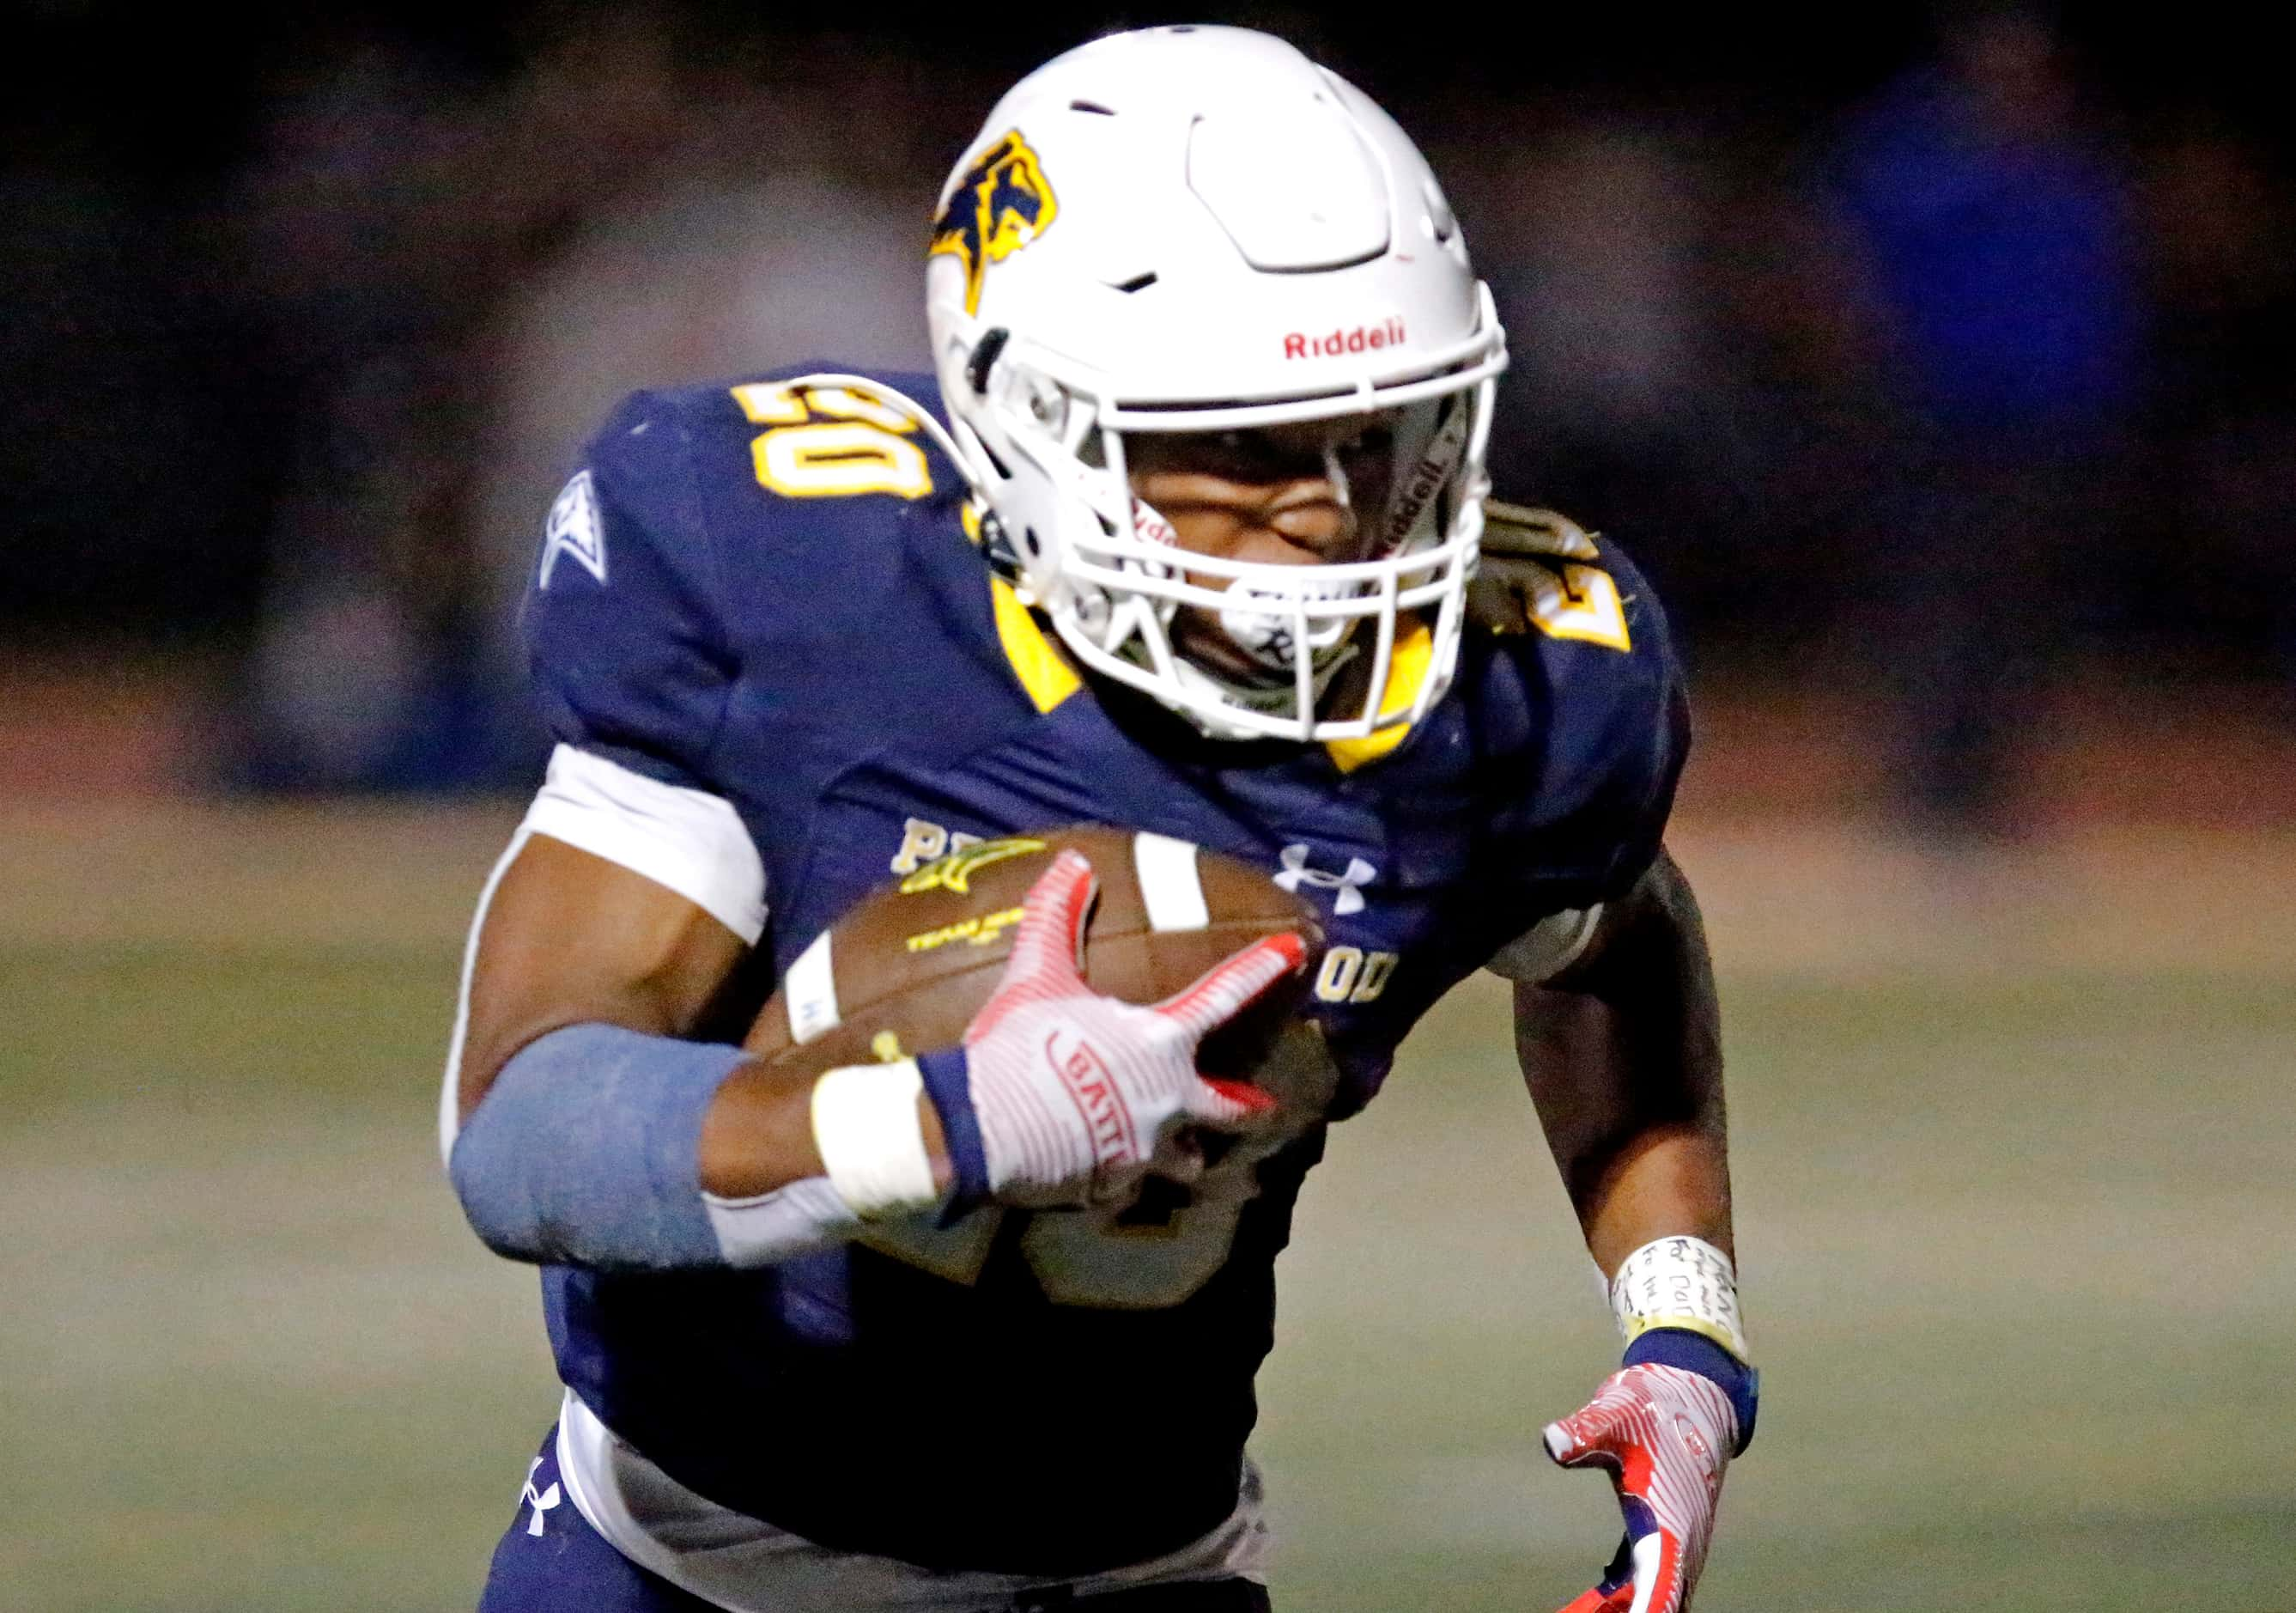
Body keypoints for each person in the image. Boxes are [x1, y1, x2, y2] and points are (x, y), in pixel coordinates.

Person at [441, 25, 1755, 1613]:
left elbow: (1610, 936)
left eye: (1381, 435)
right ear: (1027, 416)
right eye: (1241, 449)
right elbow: (522, 1127)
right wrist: (940, 1114)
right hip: (687, 1565)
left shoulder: (1522, 687)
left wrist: (1681, 1326)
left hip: (1147, 1567)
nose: (1331, 514)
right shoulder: (804, 588)